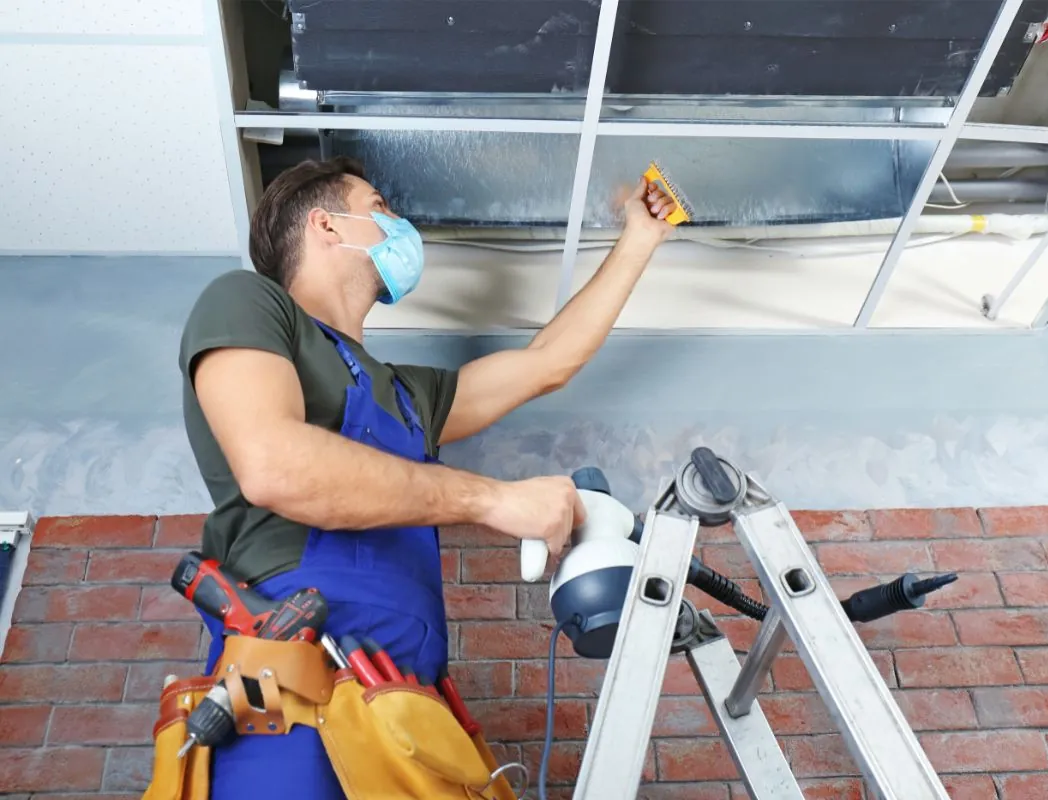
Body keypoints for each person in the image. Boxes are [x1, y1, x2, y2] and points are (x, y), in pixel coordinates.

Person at [176, 155, 678, 798]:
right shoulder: (247, 302)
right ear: (327, 225)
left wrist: (640, 236)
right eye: (381, 206)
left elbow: (547, 363)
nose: (398, 222)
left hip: (406, 698)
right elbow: (277, 467)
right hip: (288, 676)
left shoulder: (407, 396)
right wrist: (491, 499)